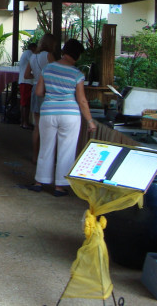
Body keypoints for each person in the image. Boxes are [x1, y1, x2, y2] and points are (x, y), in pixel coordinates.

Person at [28, 39, 97, 196]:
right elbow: (82, 100)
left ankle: (39, 182)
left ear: (64, 51)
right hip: (70, 115)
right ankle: (59, 186)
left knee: (46, 147)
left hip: (48, 113)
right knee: (66, 150)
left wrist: (52, 94)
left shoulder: (48, 68)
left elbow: (38, 92)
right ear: (77, 55)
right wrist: (90, 121)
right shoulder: (77, 74)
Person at [24, 33, 57, 163]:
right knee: (48, 126)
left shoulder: (33, 56)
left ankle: (35, 155)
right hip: (47, 91)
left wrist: (37, 77)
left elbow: (26, 75)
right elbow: (56, 72)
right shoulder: (49, 56)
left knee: (37, 126)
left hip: (35, 89)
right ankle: (46, 156)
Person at [17, 42, 38, 129]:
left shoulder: (25, 53)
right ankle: (25, 122)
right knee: (26, 103)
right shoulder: (29, 53)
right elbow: (34, 64)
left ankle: (23, 122)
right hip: (26, 81)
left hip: (24, 81)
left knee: (24, 102)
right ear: (33, 48)